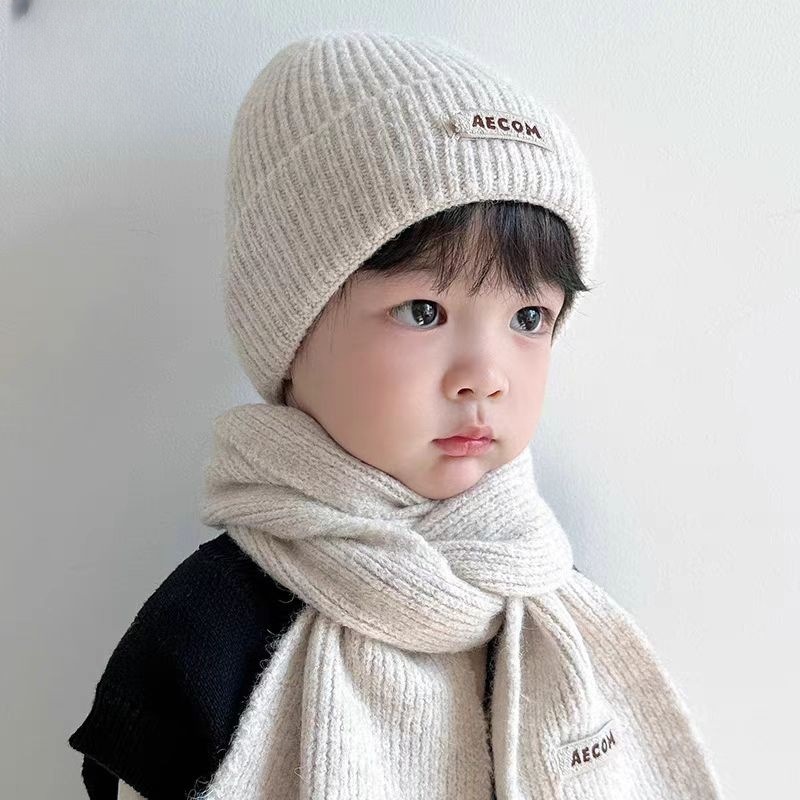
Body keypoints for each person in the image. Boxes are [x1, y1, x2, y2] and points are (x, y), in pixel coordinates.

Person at [68, 30, 726, 800]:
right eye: (423, 311)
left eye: (529, 318)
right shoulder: (212, 630)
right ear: (290, 331)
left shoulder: (548, 603)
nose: (485, 378)